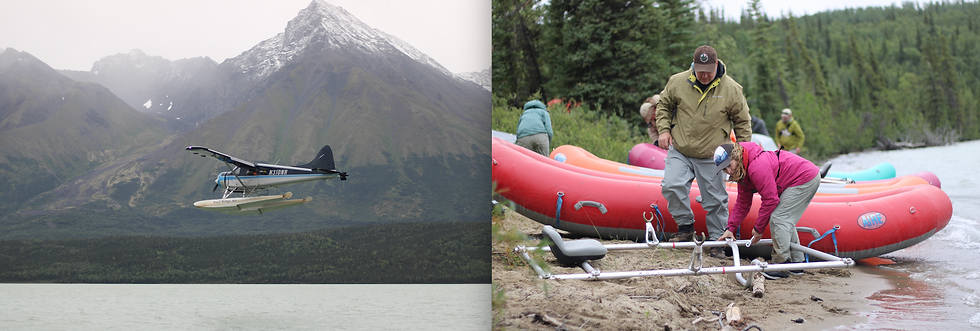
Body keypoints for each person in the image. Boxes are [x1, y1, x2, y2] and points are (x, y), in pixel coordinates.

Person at [654, 45, 752, 253]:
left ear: (717, 65)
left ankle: (718, 240)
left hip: (714, 154)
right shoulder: (677, 81)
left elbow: (742, 122)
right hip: (680, 148)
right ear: (693, 66)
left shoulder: (732, 89)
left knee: (716, 199)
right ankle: (685, 227)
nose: (704, 75)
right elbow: (663, 106)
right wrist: (663, 130)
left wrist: (744, 153)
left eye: (708, 71)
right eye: (700, 71)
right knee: (671, 185)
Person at [715, 142, 821, 279]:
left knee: (779, 218)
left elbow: (771, 200)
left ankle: (781, 265)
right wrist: (731, 228)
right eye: (724, 169)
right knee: (784, 218)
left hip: (805, 177)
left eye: (729, 166)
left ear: (736, 157)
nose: (729, 171)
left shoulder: (757, 167)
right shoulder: (742, 171)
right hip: (796, 179)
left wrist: (758, 229)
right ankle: (796, 264)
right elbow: (743, 203)